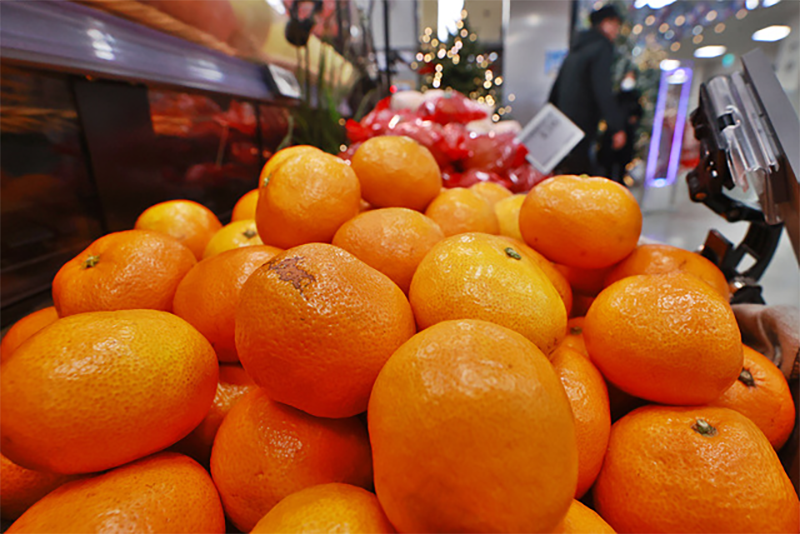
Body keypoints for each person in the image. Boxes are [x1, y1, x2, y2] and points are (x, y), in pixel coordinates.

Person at [549, 5, 627, 175]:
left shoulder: (578, 46)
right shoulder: (602, 46)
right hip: (583, 122)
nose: (617, 30)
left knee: (565, 171)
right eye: (615, 24)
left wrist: (551, 113)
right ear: (605, 23)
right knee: (581, 173)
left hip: (564, 120)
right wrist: (616, 126)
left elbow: (557, 84)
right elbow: (602, 87)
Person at [598, 69, 644, 183]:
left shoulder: (635, 98)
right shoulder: (616, 96)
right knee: (607, 166)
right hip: (611, 135)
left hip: (628, 136)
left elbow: (638, 115)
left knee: (621, 167)